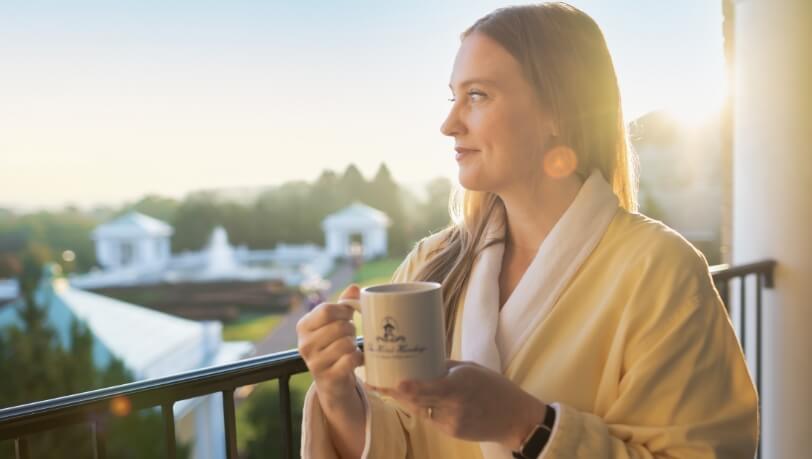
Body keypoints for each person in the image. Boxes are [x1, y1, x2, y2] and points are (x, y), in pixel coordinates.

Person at [295, 3, 758, 458]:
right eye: (452, 97)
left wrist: (526, 425)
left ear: (559, 111)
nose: (448, 123)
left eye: (477, 95)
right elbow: (397, 443)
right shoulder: (431, 264)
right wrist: (337, 392)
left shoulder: (659, 272)